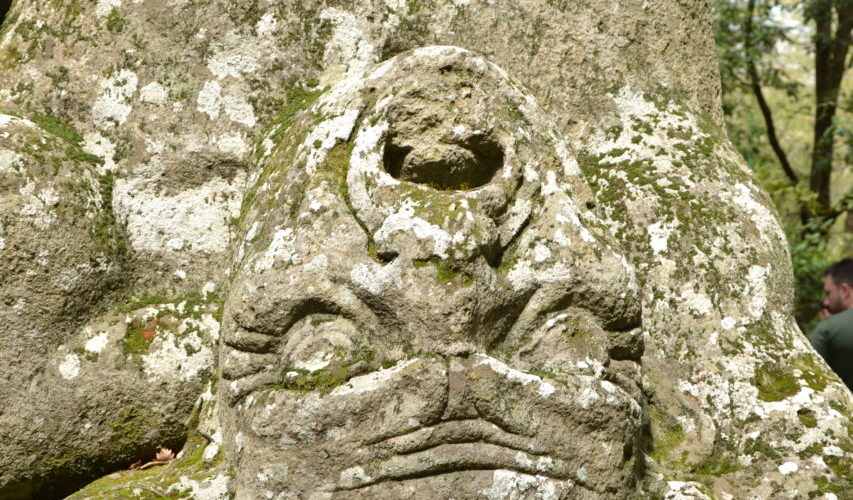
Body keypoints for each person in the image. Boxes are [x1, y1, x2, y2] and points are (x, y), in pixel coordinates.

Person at [810, 258, 853, 391]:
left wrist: (828, 324)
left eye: (829, 293)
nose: (826, 302)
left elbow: (811, 375)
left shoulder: (828, 329)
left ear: (845, 290)